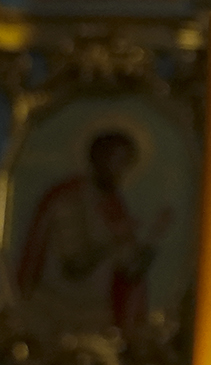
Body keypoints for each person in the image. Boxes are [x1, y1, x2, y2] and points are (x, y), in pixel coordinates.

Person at [15, 130, 166, 334]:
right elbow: (75, 266)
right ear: (98, 158)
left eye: (126, 163)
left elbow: (130, 271)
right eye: (117, 160)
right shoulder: (68, 200)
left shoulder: (114, 207)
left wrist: (154, 235)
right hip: (53, 310)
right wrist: (114, 238)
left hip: (95, 317)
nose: (121, 170)